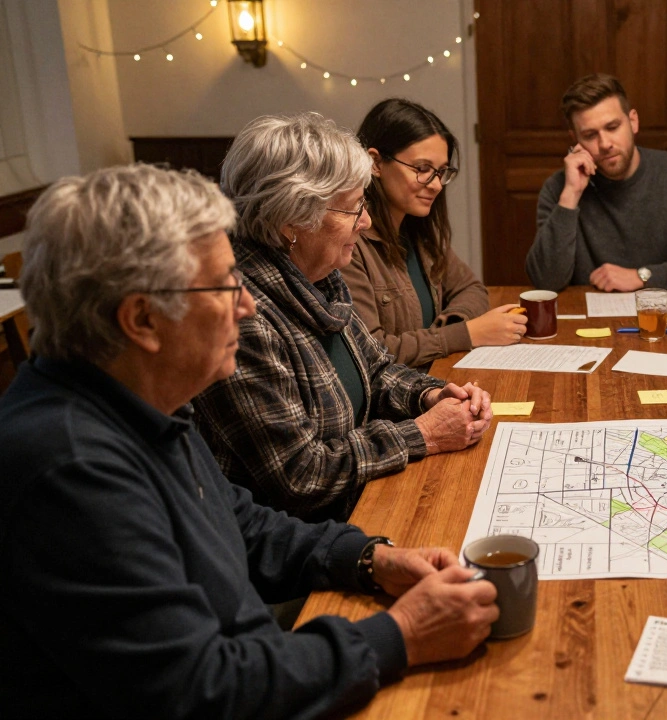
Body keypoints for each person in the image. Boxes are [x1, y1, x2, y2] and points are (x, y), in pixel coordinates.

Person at [0, 164, 498, 718]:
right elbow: (202, 691)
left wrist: (369, 559)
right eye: (224, 285)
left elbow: (239, 522)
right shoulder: (70, 467)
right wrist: (403, 634)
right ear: (142, 319)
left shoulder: (137, 396)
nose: (248, 304)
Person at [194, 112, 493, 522]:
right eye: (353, 209)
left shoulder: (321, 278)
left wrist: (432, 395)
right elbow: (299, 476)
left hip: (362, 505)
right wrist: (423, 433)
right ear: (292, 220)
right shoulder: (243, 316)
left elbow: (377, 369)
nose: (366, 221)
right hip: (309, 542)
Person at [343, 98, 527, 368]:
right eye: (422, 169)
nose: (437, 185)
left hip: (434, 379)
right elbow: (371, 351)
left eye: (441, 172)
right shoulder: (349, 242)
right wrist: (465, 334)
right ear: (375, 163)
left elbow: (470, 288)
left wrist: (451, 323)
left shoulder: (418, 229)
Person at [525, 73, 667, 292]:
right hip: (590, 321)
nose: (605, 143)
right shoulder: (560, 188)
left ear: (633, 121)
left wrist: (641, 276)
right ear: (575, 139)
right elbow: (545, 282)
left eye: (613, 127)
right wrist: (570, 195)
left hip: (666, 317)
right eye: (590, 135)